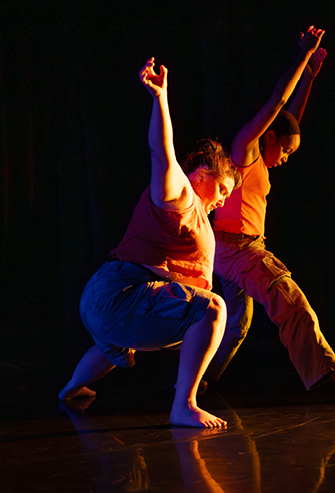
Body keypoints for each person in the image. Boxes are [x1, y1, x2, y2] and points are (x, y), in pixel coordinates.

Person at [59, 57, 242, 428]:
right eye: (223, 189)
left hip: (105, 304)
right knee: (212, 310)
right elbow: (162, 153)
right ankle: (183, 405)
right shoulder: (180, 196)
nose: (223, 199)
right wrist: (160, 97)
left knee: (112, 348)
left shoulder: (199, 220)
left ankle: (71, 388)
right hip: (119, 293)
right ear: (203, 172)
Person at [207, 27, 335, 404]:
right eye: (285, 149)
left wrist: (309, 79)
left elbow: (288, 119)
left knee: (237, 323)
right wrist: (302, 56)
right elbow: (275, 107)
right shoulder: (244, 152)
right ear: (268, 137)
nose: (287, 157)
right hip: (238, 250)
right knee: (294, 305)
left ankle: (198, 382)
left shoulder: (261, 162)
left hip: (229, 251)